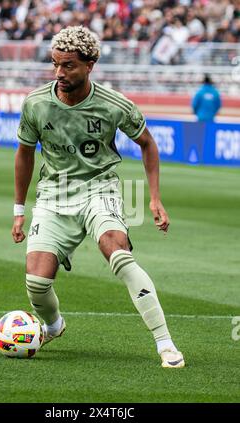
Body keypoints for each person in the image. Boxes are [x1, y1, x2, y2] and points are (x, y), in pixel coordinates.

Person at [12, 26, 185, 368]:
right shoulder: (35, 103)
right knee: (36, 283)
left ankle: (165, 344)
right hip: (54, 193)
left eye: (69, 66)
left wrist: (154, 198)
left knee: (117, 252)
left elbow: (147, 143)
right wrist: (19, 210)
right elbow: (24, 153)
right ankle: (53, 326)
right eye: (55, 64)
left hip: (99, 188)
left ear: (89, 65)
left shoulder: (112, 104)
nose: (59, 73)